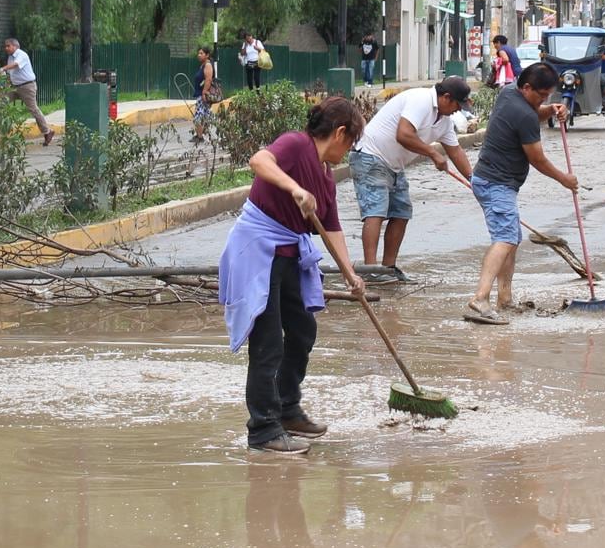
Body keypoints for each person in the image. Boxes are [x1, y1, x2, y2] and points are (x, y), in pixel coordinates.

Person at [216, 96, 368, 454]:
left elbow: (332, 229)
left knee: (302, 330)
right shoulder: (296, 144)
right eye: (350, 143)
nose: (347, 152)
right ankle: (263, 430)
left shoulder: (327, 178)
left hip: (289, 257)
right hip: (258, 253)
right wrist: (294, 188)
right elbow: (259, 160)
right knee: (268, 343)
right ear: (339, 133)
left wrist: (351, 274)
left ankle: (287, 409)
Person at [464, 63, 576, 325]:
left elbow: (531, 112)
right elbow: (537, 159)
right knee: (504, 238)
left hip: (490, 179)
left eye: (548, 96)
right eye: (541, 95)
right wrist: (565, 180)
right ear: (527, 87)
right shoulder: (524, 114)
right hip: (496, 184)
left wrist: (549, 110)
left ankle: (504, 299)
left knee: (511, 238)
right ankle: (480, 298)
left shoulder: (508, 93)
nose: (544, 100)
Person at [350, 76, 473, 268]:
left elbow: (456, 151)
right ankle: (370, 269)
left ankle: (389, 268)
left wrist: (475, 181)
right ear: (446, 97)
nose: (458, 110)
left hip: (394, 165)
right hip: (370, 155)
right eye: (458, 105)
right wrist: (433, 153)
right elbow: (404, 134)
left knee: (402, 212)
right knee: (376, 212)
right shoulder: (421, 99)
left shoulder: (445, 121)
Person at [1, 36, 55, 146]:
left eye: (8, 46)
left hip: (27, 86)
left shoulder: (21, 55)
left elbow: (16, 65)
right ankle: (3, 131)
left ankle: (47, 132)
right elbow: (11, 72)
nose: (6, 48)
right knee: (1, 102)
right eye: (5, 46)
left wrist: (3, 68)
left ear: (15, 46)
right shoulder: (10, 57)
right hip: (14, 86)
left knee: (33, 109)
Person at [193, 46, 219, 141]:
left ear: (207, 55)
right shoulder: (203, 65)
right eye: (198, 53)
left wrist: (204, 93)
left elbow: (208, 79)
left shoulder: (207, 65)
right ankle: (200, 134)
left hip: (203, 94)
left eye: (201, 53)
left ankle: (200, 137)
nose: (199, 55)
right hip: (201, 93)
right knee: (205, 115)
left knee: (198, 116)